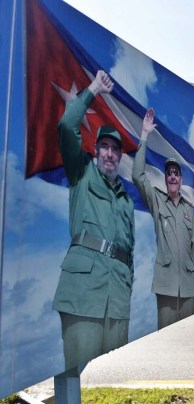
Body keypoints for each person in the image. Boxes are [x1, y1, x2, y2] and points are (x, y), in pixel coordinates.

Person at [52, 70, 135, 371]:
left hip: (117, 301)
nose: (110, 154)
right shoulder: (82, 173)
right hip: (83, 296)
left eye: (115, 149)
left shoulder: (125, 198)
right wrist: (94, 88)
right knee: (77, 380)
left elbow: (130, 252)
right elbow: (66, 125)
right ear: (96, 150)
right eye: (105, 148)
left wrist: (126, 290)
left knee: (109, 383)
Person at [133, 108, 194, 330]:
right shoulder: (156, 200)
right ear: (166, 178)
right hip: (167, 289)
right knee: (166, 346)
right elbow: (137, 176)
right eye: (169, 172)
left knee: (188, 345)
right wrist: (144, 136)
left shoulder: (188, 209)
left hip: (189, 290)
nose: (172, 176)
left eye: (176, 173)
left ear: (181, 180)